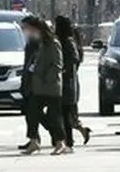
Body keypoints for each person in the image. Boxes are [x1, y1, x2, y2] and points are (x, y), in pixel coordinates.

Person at [22, 18, 67, 155]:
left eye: (29, 29)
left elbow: (57, 65)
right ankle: (34, 141)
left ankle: (60, 143)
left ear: (37, 29)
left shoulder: (53, 43)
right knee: (32, 113)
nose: (27, 32)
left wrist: (47, 78)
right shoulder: (38, 44)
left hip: (51, 86)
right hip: (37, 86)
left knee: (54, 116)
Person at [18, 15, 51, 150]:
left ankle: (57, 134)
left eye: (25, 28)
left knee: (34, 111)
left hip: (38, 82)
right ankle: (34, 138)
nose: (24, 31)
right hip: (28, 81)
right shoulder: (31, 41)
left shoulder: (41, 41)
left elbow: (39, 62)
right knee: (29, 111)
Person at [54, 16, 81, 153]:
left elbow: (75, 58)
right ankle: (63, 140)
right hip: (61, 81)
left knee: (65, 113)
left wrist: (64, 68)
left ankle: (68, 142)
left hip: (67, 82)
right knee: (61, 113)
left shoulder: (68, 41)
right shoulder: (59, 40)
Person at [70, 25, 91, 144]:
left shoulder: (74, 48)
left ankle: (81, 130)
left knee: (70, 112)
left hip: (71, 82)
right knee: (71, 112)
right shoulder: (77, 48)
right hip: (73, 82)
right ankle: (80, 130)